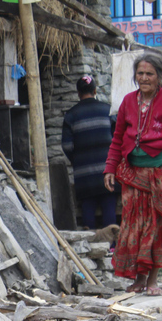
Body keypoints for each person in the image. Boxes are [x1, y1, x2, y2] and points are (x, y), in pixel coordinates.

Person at [104, 53, 162, 296]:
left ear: (159, 77)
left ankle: (152, 280)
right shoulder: (128, 102)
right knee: (135, 226)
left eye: (149, 74)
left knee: (156, 226)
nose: (144, 78)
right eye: (140, 73)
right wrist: (110, 168)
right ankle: (139, 279)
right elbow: (118, 138)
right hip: (133, 175)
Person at [62, 75, 118, 230]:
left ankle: (90, 244)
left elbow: (66, 145)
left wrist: (78, 160)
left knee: (87, 207)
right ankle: (110, 246)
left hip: (83, 174)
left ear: (78, 93)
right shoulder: (108, 110)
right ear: (95, 90)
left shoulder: (71, 115)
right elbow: (118, 140)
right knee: (109, 206)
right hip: (107, 170)